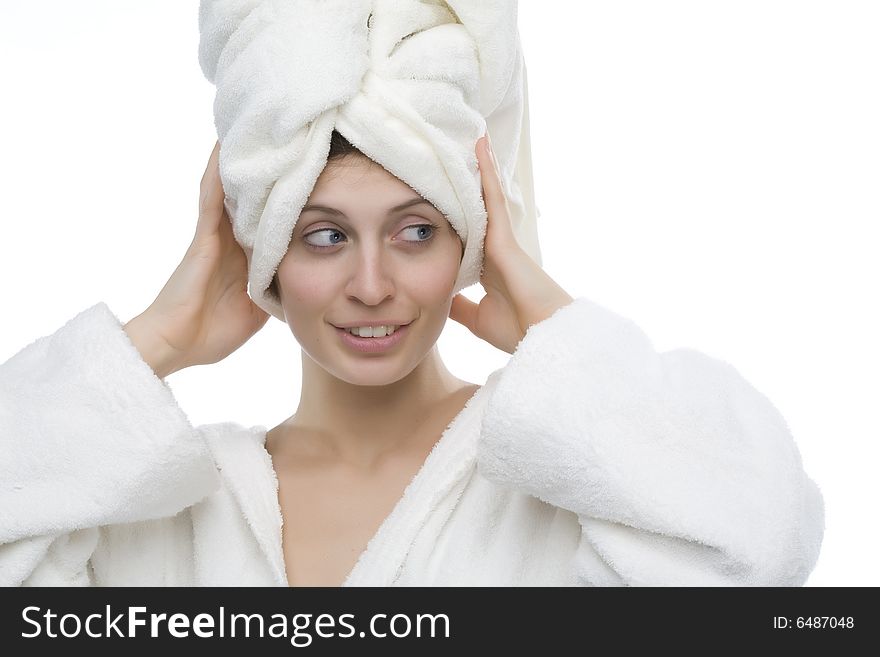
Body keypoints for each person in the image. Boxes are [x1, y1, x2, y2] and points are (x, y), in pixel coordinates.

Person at [0, 129, 825, 586]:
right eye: (323, 235)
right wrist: (156, 339)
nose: (371, 284)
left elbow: (761, 544)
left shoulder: (550, 486)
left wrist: (557, 330)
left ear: (475, 244)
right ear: (262, 256)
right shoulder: (174, 511)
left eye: (416, 232)